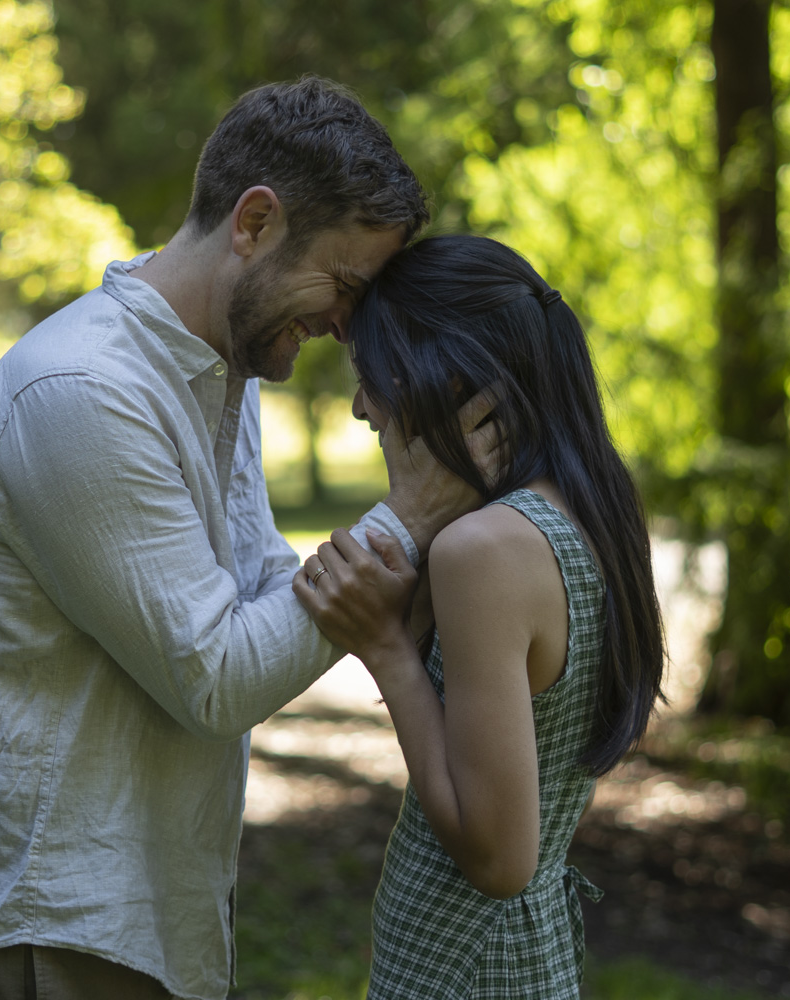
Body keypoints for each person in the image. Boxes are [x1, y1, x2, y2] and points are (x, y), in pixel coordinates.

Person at [0, 79, 497, 1000]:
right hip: (44, 931)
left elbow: (265, 597)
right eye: (344, 283)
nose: (345, 325)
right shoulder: (84, 395)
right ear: (253, 222)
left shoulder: (221, 374)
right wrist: (407, 518)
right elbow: (216, 675)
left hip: (136, 922)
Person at [294, 234, 666, 1000]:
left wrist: (387, 651)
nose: (363, 406)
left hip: (470, 965)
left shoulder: (485, 551)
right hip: (522, 953)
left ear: (448, 372)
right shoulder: (584, 507)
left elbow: (500, 861)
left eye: (373, 377)